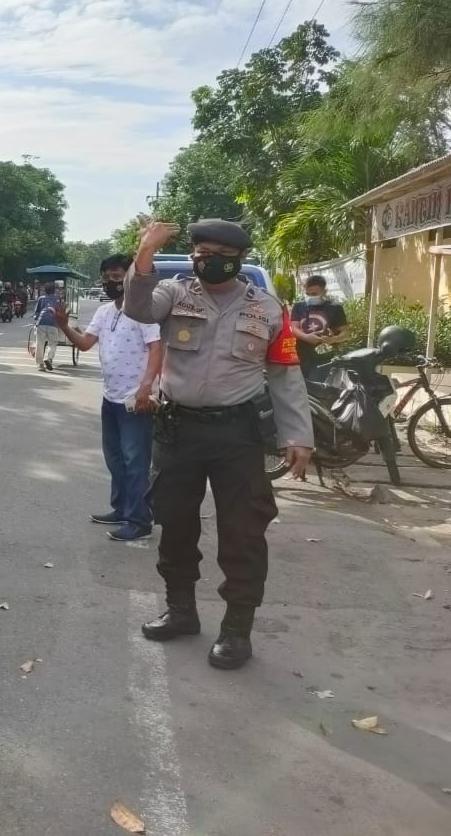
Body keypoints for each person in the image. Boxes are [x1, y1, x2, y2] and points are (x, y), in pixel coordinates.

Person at [124, 218, 313, 671]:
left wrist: (297, 435)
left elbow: (285, 375)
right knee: (176, 523)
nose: (202, 261)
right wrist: (144, 252)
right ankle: (182, 611)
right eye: (198, 253)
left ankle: (236, 630)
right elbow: (137, 308)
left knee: (243, 531)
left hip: (236, 435)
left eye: (212, 254)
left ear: (235, 258)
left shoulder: (267, 309)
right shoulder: (174, 293)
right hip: (179, 431)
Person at [52, 255, 164, 542]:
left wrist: (146, 387)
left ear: (129, 279)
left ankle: (139, 520)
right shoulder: (104, 312)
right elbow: (87, 344)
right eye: (107, 277)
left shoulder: (143, 311)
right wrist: (65, 326)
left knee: (135, 460)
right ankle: (122, 508)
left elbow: (156, 348)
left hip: (135, 399)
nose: (111, 282)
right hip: (110, 397)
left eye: (117, 277)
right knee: (115, 458)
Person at [289, 275, 348, 381]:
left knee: (315, 387)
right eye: (308, 294)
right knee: (300, 387)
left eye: (314, 294)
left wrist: (333, 339)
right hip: (301, 355)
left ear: (324, 292)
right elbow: (294, 328)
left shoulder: (335, 308)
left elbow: (345, 333)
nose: (310, 296)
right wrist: (307, 337)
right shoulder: (299, 306)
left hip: (324, 357)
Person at [33, 282, 62, 370]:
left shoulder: (41, 298)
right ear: (54, 290)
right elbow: (60, 311)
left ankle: (40, 365)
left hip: (41, 322)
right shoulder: (58, 299)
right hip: (53, 322)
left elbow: (37, 312)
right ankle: (49, 359)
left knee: (40, 343)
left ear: (45, 290)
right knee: (52, 343)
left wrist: (36, 319)